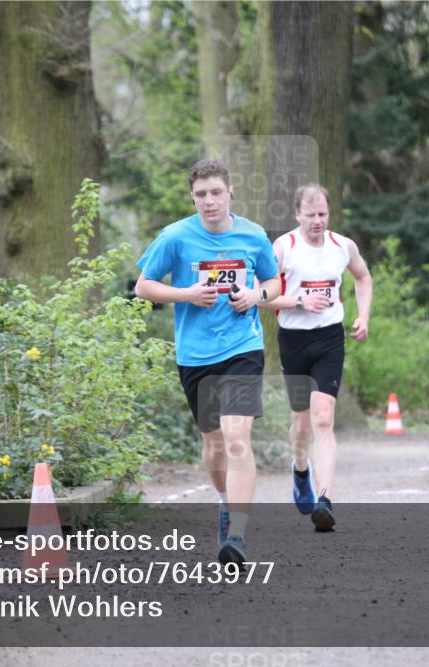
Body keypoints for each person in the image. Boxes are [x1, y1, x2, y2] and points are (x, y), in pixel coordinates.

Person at [135, 159, 281, 565]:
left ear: (230, 192)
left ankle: (236, 534)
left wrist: (257, 297)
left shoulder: (253, 236)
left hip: (243, 347)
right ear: (193, 198)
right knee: (214, 445)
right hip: (195, 355)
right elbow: (143, 286)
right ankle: (223, 503)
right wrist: (187, 294)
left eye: (216, 192)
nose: (209, 201)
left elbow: (273, 282)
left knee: (237, 438)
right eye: (201, 195)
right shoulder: (176, 237)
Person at [266, 184, 371, 532]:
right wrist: (298, 303)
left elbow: (363, 277)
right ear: (297, 214)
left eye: (323, 214)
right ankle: (300, 470)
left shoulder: (343, 246)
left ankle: (324, 499)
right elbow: (260, 295)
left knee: (323, 417)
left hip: (329, 338)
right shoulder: (283, 248)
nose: (317, 221)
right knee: (300, 422)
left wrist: (363, 316)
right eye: (310, 215)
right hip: (293, 340)